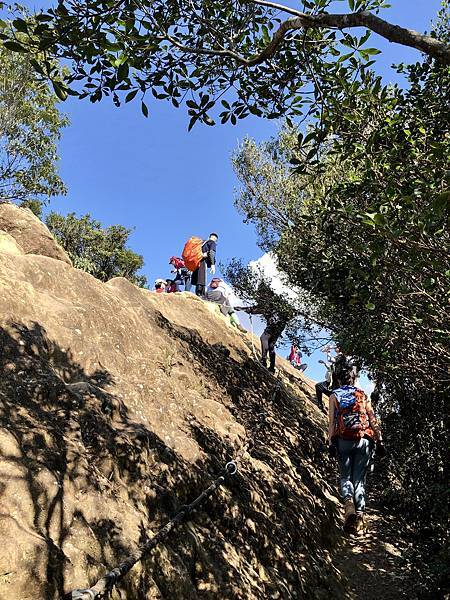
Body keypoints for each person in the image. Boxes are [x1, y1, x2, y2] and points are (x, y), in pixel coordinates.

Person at [327, 357, 386, 534]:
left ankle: (349, 510)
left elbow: (331, 422)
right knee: (359, 479)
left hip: (344, 440)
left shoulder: (334, 395)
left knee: (345, 477)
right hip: (364, 440)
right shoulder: (362, 394)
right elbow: (372, 420)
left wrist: (330, 442)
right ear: (353, 379)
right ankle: (360, 520)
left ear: (338, 379)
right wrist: (380, 440)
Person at [191, 233, 218, 297]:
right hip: (203, 262)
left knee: (198, 278)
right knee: (202, 278)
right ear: (215, 239)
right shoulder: (212, 243)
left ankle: (198, 293)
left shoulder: (202, 244)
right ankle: (201, 294)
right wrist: (212, 264)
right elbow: (211, 252)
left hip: (197, 261)